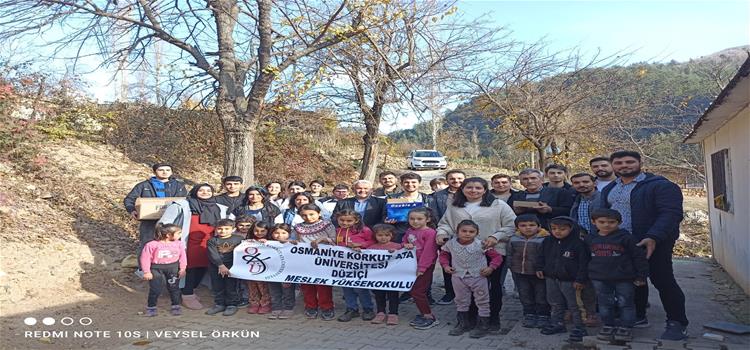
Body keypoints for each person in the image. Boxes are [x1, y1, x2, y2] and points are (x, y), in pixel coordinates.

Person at [600, 150, 688, 340]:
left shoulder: (660, 186)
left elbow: (671, 214)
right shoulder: (610, 188)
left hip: (653, 242)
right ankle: (639, 316)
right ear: (613, 166)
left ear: (641, 162)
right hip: (623, 243)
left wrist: (653, 236)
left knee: (663, 280)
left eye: (629, 162)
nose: (624, 166)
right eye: (619, 163)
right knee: (633, 280)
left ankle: (677, 322)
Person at [435, 177, 516, 333]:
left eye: (478, 188)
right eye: (469, 187)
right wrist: (442, 234)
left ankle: (491, 320)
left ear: (485, 190)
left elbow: (512, 225)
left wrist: (496, 237)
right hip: (462, 253)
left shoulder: (498, 205)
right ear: (462, 189)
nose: (473, 191)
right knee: (465, 287)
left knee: (492, 288)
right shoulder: (454, 206)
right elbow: (445, 224)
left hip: (491, 252)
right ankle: (468, 320)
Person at [158, 183, 233, 310]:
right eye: (201, 190)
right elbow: (164, 223)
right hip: (189, 242)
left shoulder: (219, 207)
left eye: (208, 190)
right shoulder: (182, 205)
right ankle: (187, 294)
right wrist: (168, 239)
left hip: (210, 241)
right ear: (195, 191)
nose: (205, 192)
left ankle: (190, 289)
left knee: (204, 266)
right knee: (189, 267)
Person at [585, 209, 649, 342]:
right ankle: (608, 325)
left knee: (626, 303)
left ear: (619, 222)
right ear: (593, 222)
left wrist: (641, 276)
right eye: (601, 222)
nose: (606, 225)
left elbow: (639, 257)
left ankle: (626, 327)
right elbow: (584, 258)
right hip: (599, 278)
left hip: (624, 278)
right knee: (604, 303)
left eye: (611, 222)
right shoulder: (590, 239)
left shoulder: (626, 238)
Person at [440, 220, 503, 339]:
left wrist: (491, 268)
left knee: (482, 300)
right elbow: (443, 255)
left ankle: (483, 325)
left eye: (471, 232)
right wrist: (446, 266)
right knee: (461, 300)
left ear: (477, 233)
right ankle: (463, 323)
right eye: (464, 231)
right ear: (457, 232)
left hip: (478, 277)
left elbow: (497, 257)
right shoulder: (450, 244)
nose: (467, 234)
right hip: (458, 277)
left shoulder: (482, 244)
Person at [535, 216, 589, 342]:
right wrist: (539, 268)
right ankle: (557, 323)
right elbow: (541, 256)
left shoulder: (578, 244)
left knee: (575, 304)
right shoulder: (548, 241)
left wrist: (580, 279)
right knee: (554, 302)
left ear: (571, 229)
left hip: (570, 280)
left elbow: (584, 263)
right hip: (551, 278)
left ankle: (579, 327)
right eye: (554, 229)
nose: (557, 231)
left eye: (562, 229)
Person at [124, 163, 187, 269]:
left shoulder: (179, 185)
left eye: (168, 170)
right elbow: (129, 199)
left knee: (172, 244)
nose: (164, 172)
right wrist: (132, 210)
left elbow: (186, 200)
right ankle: (144, 269)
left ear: (171, 172)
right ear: (154, 172)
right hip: (149, 221)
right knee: (147, 244)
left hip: (172, 222)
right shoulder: (144, 185)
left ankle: (171, 267)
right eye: (161, 170)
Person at [292, 203, 337, 320]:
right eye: (304, 215)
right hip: (305, 261)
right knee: (307, 284)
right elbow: (296, 240)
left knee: (323, 285)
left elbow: (335, 240)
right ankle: (310, 306)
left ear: (319, 213)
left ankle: (327, 307)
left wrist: (322, 239)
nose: (308, 217)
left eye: (312, 214)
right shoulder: (298, 227)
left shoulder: (327, 225)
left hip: (323, 260)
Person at [428, 169, 466, 305]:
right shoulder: (437, 196)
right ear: (447, 180)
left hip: (469, 236)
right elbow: (434, 215)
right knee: (448, 264)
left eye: (460, 179)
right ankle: (450, 292)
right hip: (445, 234)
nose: (456, 181)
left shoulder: (472, 192)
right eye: (452, 179)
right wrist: (441, 231)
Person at [507, 214, 550, 329]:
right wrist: (511, 267)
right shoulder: (513, 239)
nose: (528, 228)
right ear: (517, 228)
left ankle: (543, 315)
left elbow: (547, 256)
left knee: (541, 295)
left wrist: (543, 269)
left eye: (532, 225)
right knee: (525, 295)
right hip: (520, 273)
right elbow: (510, 255)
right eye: (523, 225)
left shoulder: (544, 239)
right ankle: (529, 315)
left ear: (539, 226)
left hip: (538, 274)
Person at [334, 210, 376, 322]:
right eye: (342, 220)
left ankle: (368, 309)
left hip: (360, 265)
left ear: (356, 220)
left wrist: (361, 245)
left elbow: (372, 242)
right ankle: (352, 309)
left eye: (349, 220)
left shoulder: (364, 230)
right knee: (346, 287)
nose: (345, 223)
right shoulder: (338, 231)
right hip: (343, 265)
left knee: (360, 287)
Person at [401, 207, 439, 330]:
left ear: (427, 219)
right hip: (411, 264)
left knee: (418, 291)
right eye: (412, 219)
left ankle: (429, 317)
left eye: (419, 219)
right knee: (414, 291)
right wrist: (404, 245)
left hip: (424, 267)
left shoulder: (430, 233)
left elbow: (429, 252)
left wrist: (422, 268)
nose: (415, 221)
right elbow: (404, 242)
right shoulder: (409, 231)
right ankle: (423, 313)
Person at [139, 224, 187, 317]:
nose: (180, 235)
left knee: (174, 288)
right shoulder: (152, 245)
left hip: (173, 268)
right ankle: (151, 307)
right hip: (156, 269)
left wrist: (183, 268)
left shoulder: (179, 244)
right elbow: (145, 258)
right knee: (155, 289)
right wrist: (146, 271)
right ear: (168, 235)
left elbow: (183, 256)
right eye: (178, 233)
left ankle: (175, 306)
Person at [508, 168, 573, 229]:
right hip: (523, 232)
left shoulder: (559, 192)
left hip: (551, 230)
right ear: (521, 182)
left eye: (533, 178)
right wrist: (517, 211)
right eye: (525, 179)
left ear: (542, 180)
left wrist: (549, 209)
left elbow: (568, 210)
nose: (529, 181)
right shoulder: (516, 196)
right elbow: (508, 214)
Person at [366, 224, 403, 325]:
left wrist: (398, 251)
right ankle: (380, 313)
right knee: (379, 295)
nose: (383, 238)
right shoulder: (371, 248)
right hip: (378, 278)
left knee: (393, 296)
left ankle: (393, 314)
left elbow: (407, 254)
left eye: (387, 235)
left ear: (392, 235)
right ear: (375, 236)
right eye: (380, 235)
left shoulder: (398, 246)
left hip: (393, 277)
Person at [205, 219, 244, 316]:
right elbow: (213, 254)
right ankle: (219, 304)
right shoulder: (212, 240)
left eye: (227, 229)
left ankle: (232, 305)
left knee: (231, 286)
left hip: (232, 267)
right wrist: (220, 265)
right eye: (220, 229)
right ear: (216, 229)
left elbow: (247, 248)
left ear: (233, 229)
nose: (223, 231)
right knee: (218, 286)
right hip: (217, 267)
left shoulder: (239, 239)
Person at [386, 172, 432, 241]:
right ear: (401, 184)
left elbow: (433, 217)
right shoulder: (392, 198)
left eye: (413, 182)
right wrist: (387, 220)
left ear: (419, 183)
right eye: (406, 182)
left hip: (422, 234)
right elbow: (384, 215)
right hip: (399, 234)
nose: (410, 184)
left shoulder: (428, 199)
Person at [267, 224, 296, 319]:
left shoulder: (292, 244)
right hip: (272, 272)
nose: (280, 235)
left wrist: (293, 243)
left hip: (287, 273)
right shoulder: (267, 243)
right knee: (274, 290)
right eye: (276, 233)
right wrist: (261, 243)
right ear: (272, 234)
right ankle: (276, 307)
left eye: (284, 233)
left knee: (287, 290)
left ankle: (288, 308)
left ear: (289, 233)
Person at [245, 221, 272, 314]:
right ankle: (254, 303)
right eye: (256, 231)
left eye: (262, 231)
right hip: (251, 268)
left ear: (268, 231)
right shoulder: (247, 240)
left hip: (265, 268)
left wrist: (268, 242)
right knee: (252, 286)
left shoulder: (272, 240)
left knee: (263, 286)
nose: (259, 233)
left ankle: (265, 303)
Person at [234, 215, 256, 308]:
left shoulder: (255, 234)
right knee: (238, 282)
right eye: (241, 225)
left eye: (248, 225)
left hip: (251, 263)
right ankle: (239, 298)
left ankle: (248, 298)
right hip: (236, 262)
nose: (244, 228)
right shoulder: (233, 235)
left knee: (248, 282)